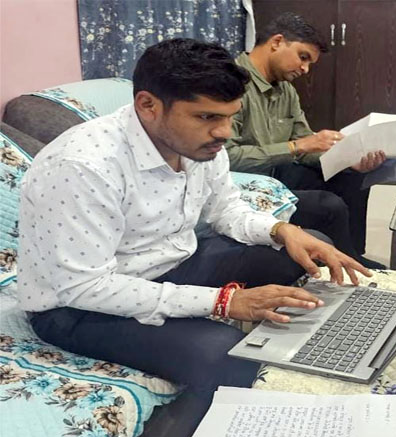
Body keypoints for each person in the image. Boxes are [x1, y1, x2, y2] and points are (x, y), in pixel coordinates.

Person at [18, 38, 371, 402]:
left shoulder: (200, 143)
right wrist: (223, 302)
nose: (225, 132)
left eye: (230, 116)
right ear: (148, 106)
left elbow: (226, 211)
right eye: (207, 117)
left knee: (308, 248)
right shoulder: (83, 167)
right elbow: (84, 286)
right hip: (78, 307)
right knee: (224, 353)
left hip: (172, 264)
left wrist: (281, 229)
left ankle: (337, 345)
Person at [226, 12, 385, 261]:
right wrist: (296, 146)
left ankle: (353, 255)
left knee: (352, 178)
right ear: (277, 42)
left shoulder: (286, 90)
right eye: (303, 57)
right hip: (243, 183)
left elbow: (306, 147)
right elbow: (228, 158)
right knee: (328, 205)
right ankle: (340, 262)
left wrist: (346, 160)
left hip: (277, 172)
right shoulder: (230, 84)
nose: (305, 68)